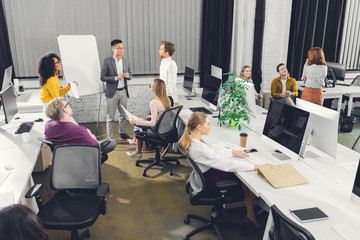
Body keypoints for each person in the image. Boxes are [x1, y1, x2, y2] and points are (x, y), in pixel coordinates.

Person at [178, 112, 271, 228]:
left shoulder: (191, 141)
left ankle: (249, 211)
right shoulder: (199, 148)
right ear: (199, 127)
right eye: (208, 124)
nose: (210, 127)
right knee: (249, 178)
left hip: (203, 175)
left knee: (243, 170)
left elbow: (212, 152)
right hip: (211, 179)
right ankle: (250, 215)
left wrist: (232, 152)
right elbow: (227, 164)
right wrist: (255, 167)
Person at [44, 97, 117, 164]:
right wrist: (91, 135)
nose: (69, 106)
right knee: (112, 142)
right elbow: (96, 147)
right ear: (65, 110)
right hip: (81, 156)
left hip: (64, 159)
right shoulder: (79, 131)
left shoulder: (48, 125)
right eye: (67, 105)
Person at [126, 78, 171, 158]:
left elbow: (152, 123)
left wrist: (135, 122)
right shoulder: (167, 99)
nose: (150, 86)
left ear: (154, 88)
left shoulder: (154, 103)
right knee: (140, 120)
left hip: (157, 131)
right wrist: (153, 116)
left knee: (138, 125)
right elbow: (163, 115)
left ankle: (137, 150)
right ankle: (137, 148)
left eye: (151, 85)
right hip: (164, 129)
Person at [101, 39, 133, 141]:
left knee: (123, 115)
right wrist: (115, 78)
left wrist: (128, 76)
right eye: (119, 48)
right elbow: (102, 77)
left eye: (122, 48)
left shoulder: (126, 61)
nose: (121, 50)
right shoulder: (107, 61)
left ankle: (122, 134)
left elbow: (130, 75)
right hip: (112, 92)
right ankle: (110, 138)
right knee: (110, 117)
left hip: (123, 91)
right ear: (113, 49)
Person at [159, 41, 179, 107]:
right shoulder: (163, 62)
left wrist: (176, 101)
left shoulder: (171, 64)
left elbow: (172, 84)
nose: (159, 51)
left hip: (168, 98)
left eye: (161, 49)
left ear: (167, 52)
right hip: (162, 96)